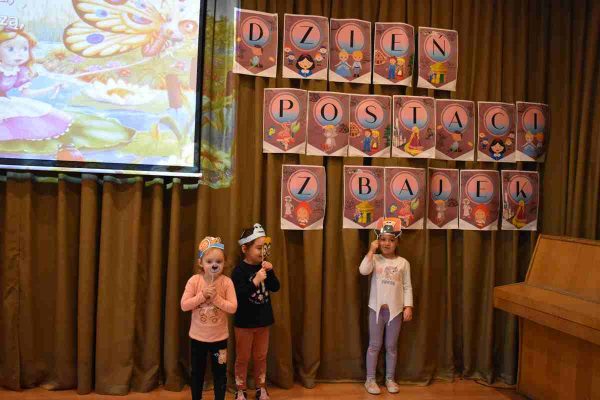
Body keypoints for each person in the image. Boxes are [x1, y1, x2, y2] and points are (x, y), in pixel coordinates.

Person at [359, 218, 414, 395]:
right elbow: (363, 270)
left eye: (391, 240)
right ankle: (370, 379)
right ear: (378, 241)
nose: (387, 243)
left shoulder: (403, 263)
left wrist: (408, 306)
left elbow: (407, 286)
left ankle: (390, 378)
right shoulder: (375, 259)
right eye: (383, 239)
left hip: (395, 312)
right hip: (376, 310)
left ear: (397, 242)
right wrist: (371, 251)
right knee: (374, 345)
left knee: (391, 347)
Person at [181, 237, 238, 400]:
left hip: (219, 339)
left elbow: (233, 307)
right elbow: (184, 305)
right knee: (197, 373)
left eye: (218, 261)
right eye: (209, 261)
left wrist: (216, 299)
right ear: (201, 263)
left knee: (220, 373)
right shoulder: (194, 281)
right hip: (198, 338)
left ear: (224, 263)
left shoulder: (227, 282)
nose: (214, 265)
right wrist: (202, 295)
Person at [233, 224, 281, 400]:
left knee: (261, 356)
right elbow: (238, 295)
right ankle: (240, 389)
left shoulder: (264, 266)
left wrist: (270, 271)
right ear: (245, 249)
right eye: (258, 248)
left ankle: (261, 387)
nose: (262, 252)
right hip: (244, 323)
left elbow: (275, 287)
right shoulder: (238, 271)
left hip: (263, 321)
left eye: (264, 248)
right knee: (242, 357)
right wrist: (255, 281)